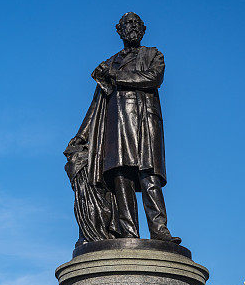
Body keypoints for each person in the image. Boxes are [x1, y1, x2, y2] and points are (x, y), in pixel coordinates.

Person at [66, 12, 181, 244]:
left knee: (149, 177)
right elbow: (97, 104)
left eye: (136, 24)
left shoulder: (152, 55)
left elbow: (153, 78)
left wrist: (116, 77)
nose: (132, 28)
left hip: (145, 123)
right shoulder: (109, 63)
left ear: (143, 29)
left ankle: (160, 230)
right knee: (121, 178)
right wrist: (81, 136)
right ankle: (129, 233)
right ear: (119, 30)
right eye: (127, 25)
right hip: (116, 127)